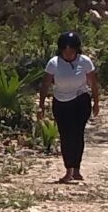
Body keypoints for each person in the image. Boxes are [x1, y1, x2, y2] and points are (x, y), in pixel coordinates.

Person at [38, 30, 97, 183]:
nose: (68, 53)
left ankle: (76, 168)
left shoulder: (85, 61)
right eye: (65, 49)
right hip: (61, 102)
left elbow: (93, 83)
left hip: (80, 100)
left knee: (77, 134)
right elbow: (45, 84)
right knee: (65, 135)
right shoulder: (54, 63)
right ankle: (68, 169)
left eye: (71, 50)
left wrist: (96, 102)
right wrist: (41, 105)